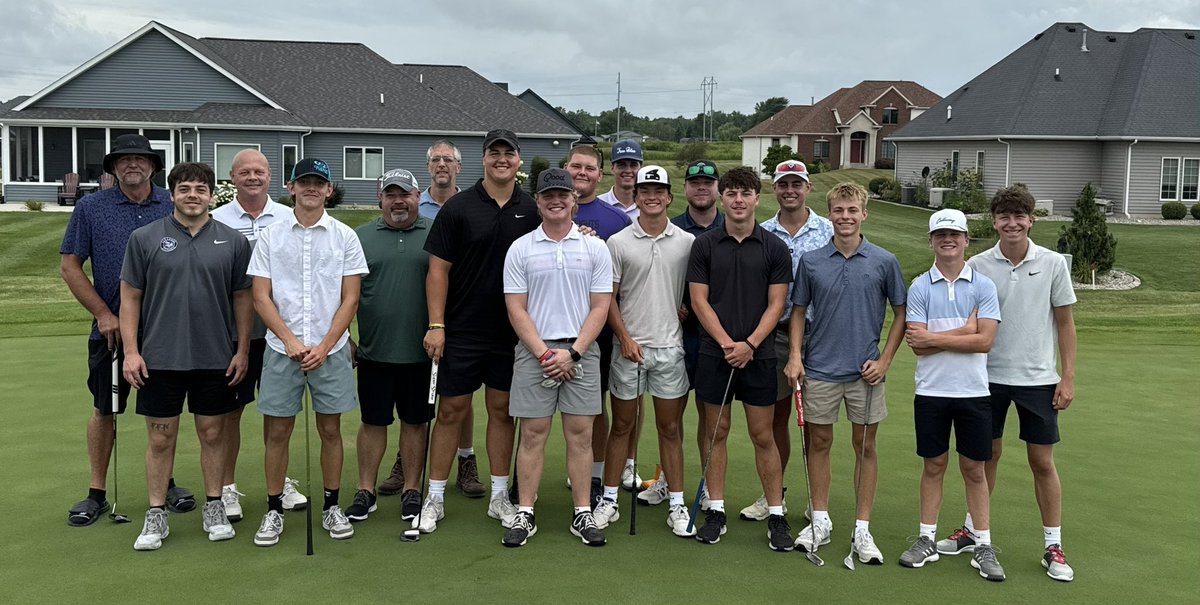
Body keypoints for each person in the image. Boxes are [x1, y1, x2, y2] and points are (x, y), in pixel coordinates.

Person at [937, 185, 1078, 582]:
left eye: (1020, 216)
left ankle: (1053, 545)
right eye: (1004, 217)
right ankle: (972, 530)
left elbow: (1065, 324)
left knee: (1042, 462)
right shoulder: (978, 264)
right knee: (984, 458)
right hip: (987, 379)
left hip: (1037, 379)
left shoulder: (1052, 263)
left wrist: (1067, 377)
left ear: (1031, 220)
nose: (1012, 223)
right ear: (994, 221)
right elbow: (969, 320)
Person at [60, 134, 194, 527]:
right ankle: (97, 492)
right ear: (113, 167)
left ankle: (166, 484)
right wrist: (103, 313)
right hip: (112, 329)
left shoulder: (173, 205)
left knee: (165, 412)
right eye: (123, 160)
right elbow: (70, 267)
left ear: (153, 166)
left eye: (140, 159)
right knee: (105, 408)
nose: (132, 165)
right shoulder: (91, 208)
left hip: (166, 328)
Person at [119, 162, 253, 550]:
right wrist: (131, 351)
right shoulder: (144, 238)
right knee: (161, 439)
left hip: (215, 356)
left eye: (200, 189)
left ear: (213, 195)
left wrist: (242, 349)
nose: (192, 195)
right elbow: (130, 297)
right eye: (184, 189)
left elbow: (243, 298)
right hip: (159, 357)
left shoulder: (232, 241)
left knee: (213, 433)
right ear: (172, 193)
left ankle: (214, 506)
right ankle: (156, 514)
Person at [418, 129, 542, 533]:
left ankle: (500, 497)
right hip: (463, 330)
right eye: (494, 153)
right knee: (451, 410)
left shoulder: (533, 208)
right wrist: (436, 325)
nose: (501, 159)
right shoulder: (459, 207)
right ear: (483, 159)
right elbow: (438, 270)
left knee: (502, 413)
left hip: (514, 334)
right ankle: (434, 497)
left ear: (519, 160)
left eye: (509, 153)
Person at [246, 158, 368, 546]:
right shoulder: (271, 235)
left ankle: (332, 506)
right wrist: (292, 342)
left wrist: (326, 345)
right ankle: (273, 510)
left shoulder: (345, 236)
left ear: (329, 190)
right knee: (277, 432)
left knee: (330, 430)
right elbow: (261, 297)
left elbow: (350, 299)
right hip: (282, 350)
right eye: (305, 182)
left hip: (329, 352)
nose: (312, 188)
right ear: (291, 187)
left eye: (319, 182)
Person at [783, 183, 907, 562]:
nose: (846, 217)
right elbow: (799, 311)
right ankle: (820, 519)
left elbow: (901, 314)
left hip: (865, 373)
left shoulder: (884, 261)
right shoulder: (813, 260)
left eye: (852, 210)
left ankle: (862, 529)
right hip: (819, 369)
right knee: (818, 444)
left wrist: (885, 361)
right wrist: (795, 356)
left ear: (864, 214)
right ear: (830, 214)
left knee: (865, 446)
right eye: (839, 210)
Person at [500, 168, 613, 547]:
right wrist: (547, 353)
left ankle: (582, 512)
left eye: (563, 194)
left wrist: (575, 353)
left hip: (582, 349)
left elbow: (601, 307)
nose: (556, 200)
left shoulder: (595, 248)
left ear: (574, 199)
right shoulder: (521, 248)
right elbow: (516, 309)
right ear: (539, 202)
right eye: (548, 195)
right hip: (536, 351)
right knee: (532, 434)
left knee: (581, 436)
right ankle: (525, 512)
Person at [686, 166, 793, 551]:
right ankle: (716, 510)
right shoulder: (705, 246)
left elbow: (777, 304)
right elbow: (699, 300)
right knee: (716, 434)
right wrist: (728, 342)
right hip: (716, 353)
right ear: (721, 197)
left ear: (756, 198)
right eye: (731, 192)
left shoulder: (774, 248)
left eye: (745, 193)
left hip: (759, 355)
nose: (738, 200)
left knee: (763, 435)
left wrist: (748, 344)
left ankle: (777, 514)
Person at [899, 208, 1006, 582]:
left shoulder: (983, 285)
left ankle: (983, 544)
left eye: (955, 234)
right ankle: (927, 538)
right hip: (931, 392)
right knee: (933, 465)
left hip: (974, 393)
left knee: (974, 469)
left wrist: (938, 337)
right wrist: (964, 330)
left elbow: (986, 342)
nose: (948, 240)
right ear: (931, 241)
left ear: (965, 240)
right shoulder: (919, 286)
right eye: (941, 234)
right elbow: (917, 344)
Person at [595, 165, 696, 536]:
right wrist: (623, 337)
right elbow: (608, 299)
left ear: (670, 197)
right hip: (630, 349)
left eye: (659, 191)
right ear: (635, 198)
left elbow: (693, 291)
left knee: (670, 428)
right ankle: (608, 501)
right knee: (622, 426)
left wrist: (684, 308)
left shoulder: (687, 242)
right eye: (644, 191)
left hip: (670, 348)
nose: (651, 197)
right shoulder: (618, 243)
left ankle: (677, 504)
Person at [381, 139, 484, 500]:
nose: (442, 164)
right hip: (417, 312)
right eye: (435, 159)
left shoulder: (472, 203)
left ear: (459, 166)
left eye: (449, 160)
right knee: (414, 394)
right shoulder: (411, 203)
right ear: (428, 168)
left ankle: (466, 459)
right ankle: (406, 460)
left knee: (459, 394)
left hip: (460, 310)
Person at [211, 149, 307, 522]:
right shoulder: (216, 219)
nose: (253, 177)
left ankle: (278, 481)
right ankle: (228, 488)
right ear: (232, 177)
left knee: (278, 413)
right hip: (232, 334)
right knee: (230, 412)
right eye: (245, 172)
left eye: (260, 171)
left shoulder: (288, 217)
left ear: (271, 177)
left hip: (280, 334)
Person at [740, 159, 834, 522]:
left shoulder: (828, 230)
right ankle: (773, 494)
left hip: (820, 335)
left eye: (797, 184)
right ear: (774, 190)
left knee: (816, 420)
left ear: (808, 188)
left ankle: (817, 499)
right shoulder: (761, 232)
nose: (790, 190)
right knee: (778, 417)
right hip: (775, 335)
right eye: (783, 184)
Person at [346, 168, 436, 525]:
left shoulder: (436, 234)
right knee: (373, 422)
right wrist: (344, 338)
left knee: (415, 423)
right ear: (380, 198)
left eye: (406, 194)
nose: (399, 201)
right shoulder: (360, 237)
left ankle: (411, 489)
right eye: (391, 194)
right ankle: (365, 491)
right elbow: (344, 296)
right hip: (373, 351)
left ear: (418, 196)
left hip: (422, 352)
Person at [642, 160, 724, 507]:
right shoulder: (671, 229)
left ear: (717, 187)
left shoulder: (731, 227)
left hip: (715, 340)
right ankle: (665, 480)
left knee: (710, 419)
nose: (702, 188)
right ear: (685, 191)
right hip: (676, 336)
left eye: (708, 182)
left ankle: (707, 486)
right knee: (670, 419)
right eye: (695, 183)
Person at [565, 144, 633, 502]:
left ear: (599, 174)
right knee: (540, 413)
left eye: (590, 168)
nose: (582, 173)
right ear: (566, 167)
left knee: (596, 405)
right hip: (552, 330)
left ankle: (593, 474)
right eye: (576, 166)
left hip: (601, 332)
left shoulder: (617, 220)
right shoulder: (547, 208)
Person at [598, 139, 643, 218]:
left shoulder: (648, 206)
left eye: (633, 165)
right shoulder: (598, 204)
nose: (628, 170)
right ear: (612, 168)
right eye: (621, 165)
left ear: (640, 168)